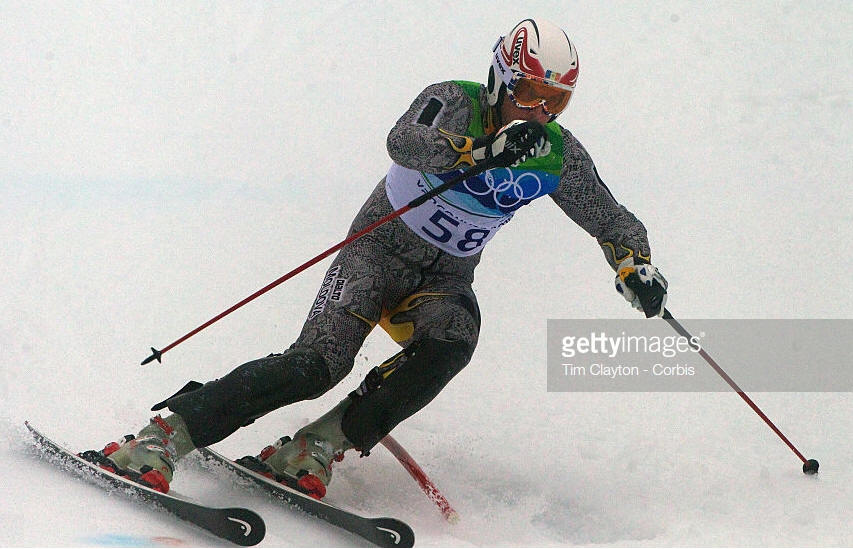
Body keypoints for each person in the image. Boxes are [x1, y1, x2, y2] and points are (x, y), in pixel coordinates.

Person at [82, 18, 668, 498]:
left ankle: (316, 447)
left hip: (441, 282)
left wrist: (634, 265)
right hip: (375, 256)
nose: (539, 112)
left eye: (555, 101)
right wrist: (477, 150)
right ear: (498, 80)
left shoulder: (556, 156)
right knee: (316, 366)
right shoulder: (452, 101)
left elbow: (610, 216)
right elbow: (403, 140)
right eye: (529, 94)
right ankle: (162, 437)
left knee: (454, 341)